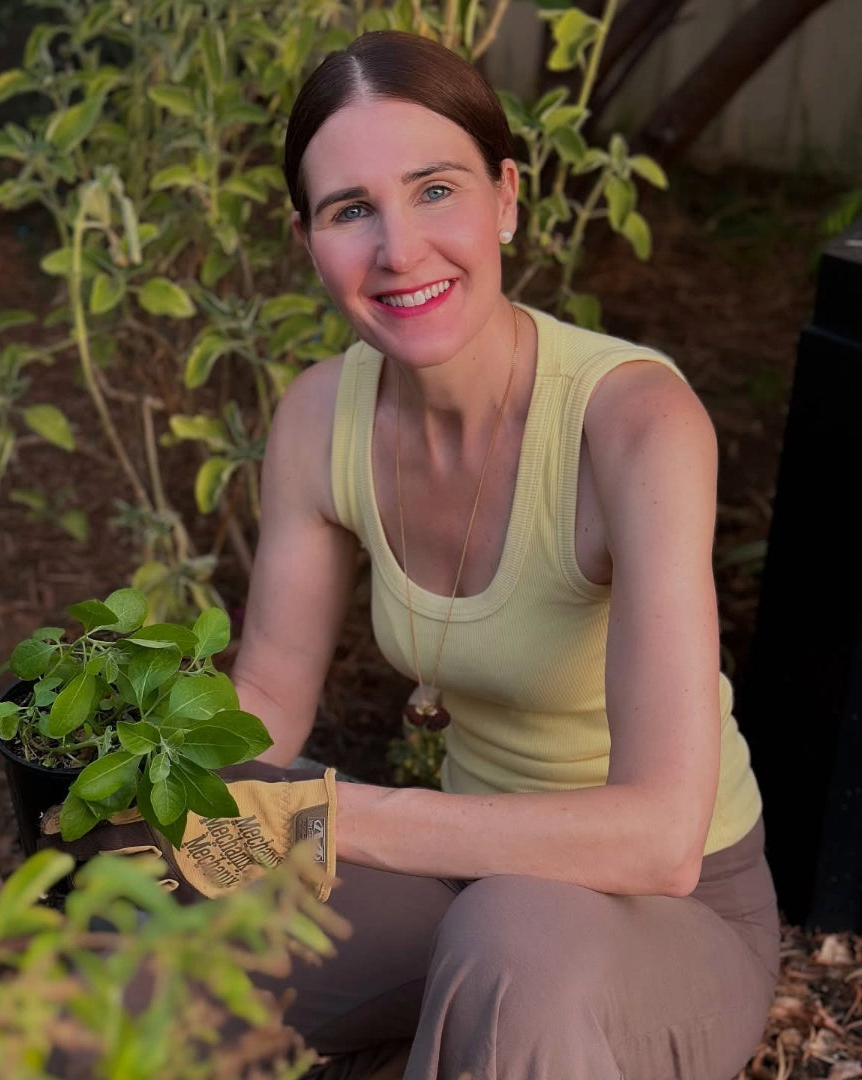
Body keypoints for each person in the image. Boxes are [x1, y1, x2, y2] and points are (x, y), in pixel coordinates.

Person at [52, 29, 780, 1080]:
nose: (399, 250)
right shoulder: (320, 417)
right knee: (132, 923)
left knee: (515, 945)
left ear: (508, 197)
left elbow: (660, 835)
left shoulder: (634, 423)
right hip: (456, 871)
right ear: (306, 237)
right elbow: (268, 697)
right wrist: (134, 755)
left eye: (435, 189)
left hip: (666, 908)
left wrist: (336, 819)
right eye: (352, 210)